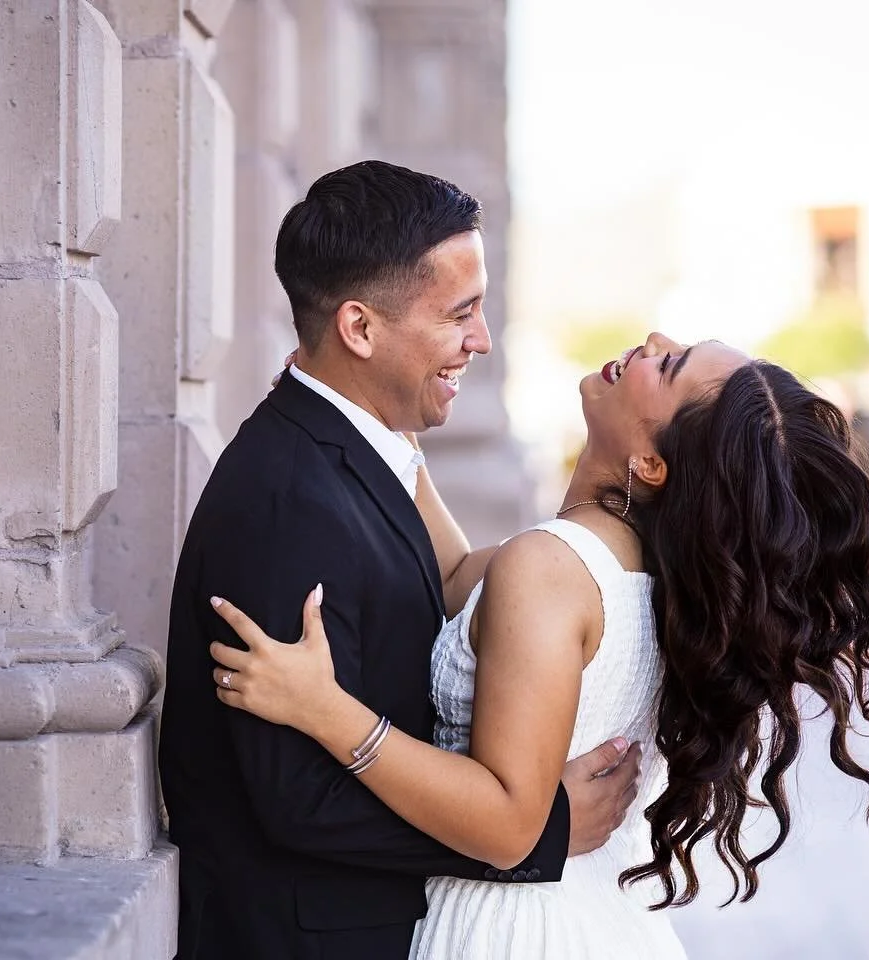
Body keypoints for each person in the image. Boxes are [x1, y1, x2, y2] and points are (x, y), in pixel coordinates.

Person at [209, 333, 869, 958]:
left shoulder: (554, 568)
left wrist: (325, 711)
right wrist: (381, 420)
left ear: (651, 465)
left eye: (668, 365)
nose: (652, 340)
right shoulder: (626, 567)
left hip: (512, 930)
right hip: (590, 919)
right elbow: (454, 579)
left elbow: (509, 822)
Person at [158, 161, 642, 960]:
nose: (481, 340)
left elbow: (454, 579)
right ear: (359, 329)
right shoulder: (289, 501)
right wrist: (533, 831)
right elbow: (297, 799)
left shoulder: (359, 448)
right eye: (460, 313)